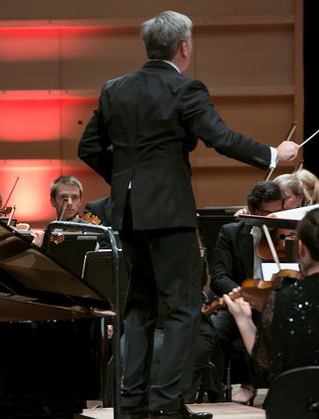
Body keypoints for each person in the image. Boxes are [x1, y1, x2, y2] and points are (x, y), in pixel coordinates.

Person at [77, 10, 299, 419]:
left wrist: (129, 186)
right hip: (170, 215)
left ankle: (131, 402)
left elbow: (88, 148)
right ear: (184, 47)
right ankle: (166, 404)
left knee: (139, 307)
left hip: (128, 214)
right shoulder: (185, 89)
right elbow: (220, 137)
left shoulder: (114, 89)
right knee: (181, 308)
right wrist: (273, 154)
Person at [209, 181, 284, 405]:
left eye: (278, 213)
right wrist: (245, 295)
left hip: (277, 303)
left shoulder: (288, 233)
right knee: (213, 330)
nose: (273, 220)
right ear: (252, 211)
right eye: (266, 214)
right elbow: (219, 277)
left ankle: (255, 385)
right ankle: (215, 393)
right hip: (242, 300)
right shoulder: (231, 233)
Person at [223, 207, 319, 382]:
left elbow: (262, 367)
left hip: (292, 404)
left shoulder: (283, 298)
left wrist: (243, 318)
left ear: (301, 249)